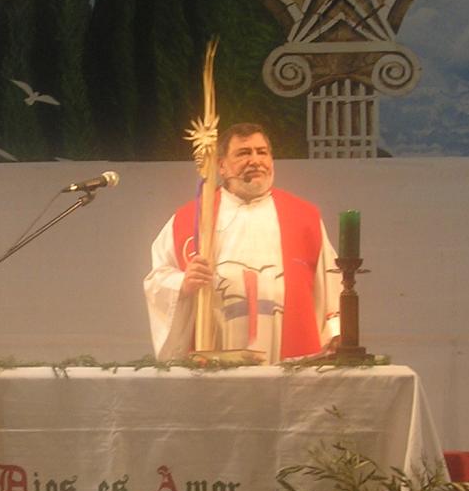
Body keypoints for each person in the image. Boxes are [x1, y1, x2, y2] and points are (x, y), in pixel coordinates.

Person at [144, 121, 339, 362]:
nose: (255, 160)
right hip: (216, 346)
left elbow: (331, 281)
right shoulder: (190, 218)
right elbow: (156, 280)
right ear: (221, 166)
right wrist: (182, 282)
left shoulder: (303, 217)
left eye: (262, 152)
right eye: (244, 153)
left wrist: (336, 333)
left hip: (288, 353)